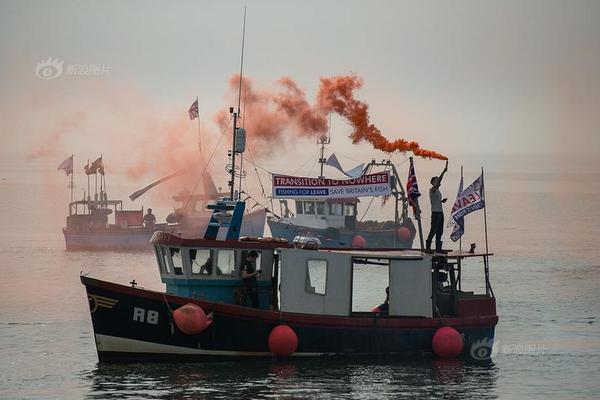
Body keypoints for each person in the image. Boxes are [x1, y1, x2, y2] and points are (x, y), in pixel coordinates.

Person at [426, 160, 448, 253]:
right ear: (433, 183)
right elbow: (439, 181)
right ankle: (428, 247)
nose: (438, 182)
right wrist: (443, 171)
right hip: (435, 213)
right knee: (433, 230)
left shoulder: (438, 191)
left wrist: (441, 201)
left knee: (440, 231)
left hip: (440, 213)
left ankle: (438, 248)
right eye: (436, 181)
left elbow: (436, 201)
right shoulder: (432, 190)